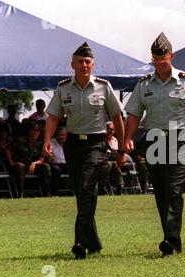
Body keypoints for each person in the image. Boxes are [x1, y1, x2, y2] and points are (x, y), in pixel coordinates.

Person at [124, 32, 185, 257]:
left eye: (164, 58)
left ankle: (170, 241)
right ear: (152, 59)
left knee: (174, 189)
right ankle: (172, 240)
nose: (160, 62)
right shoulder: (143, 85)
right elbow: (133, 114)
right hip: (153, 139)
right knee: (160, 191)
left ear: (172, 56)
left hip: (179, 138)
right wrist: (128, 138)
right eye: (156, 59)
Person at [44, 42, 126, 259]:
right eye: (79, 62)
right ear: (72, 64)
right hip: (73, 144)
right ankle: (94, 242)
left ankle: (80, 242)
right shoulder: (63, 88)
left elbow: (117, 117)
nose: (83, 65)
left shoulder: (103, 87)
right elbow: (53, 116)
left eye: (87, 62)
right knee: (82, 194)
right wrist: (47, 139)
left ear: (93, 64)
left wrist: (122, 147)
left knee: (87, 186)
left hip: (96, 144)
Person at [47, 126, 68, 196]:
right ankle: (54, 193)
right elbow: (50, 158)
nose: (61, 137)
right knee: (56, 169)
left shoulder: (69, 143)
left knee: (76, 168)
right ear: (56, 135)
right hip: (55, 164)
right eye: (59, 135)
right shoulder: (51, 143)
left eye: (63, 135)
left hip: (66, 164)